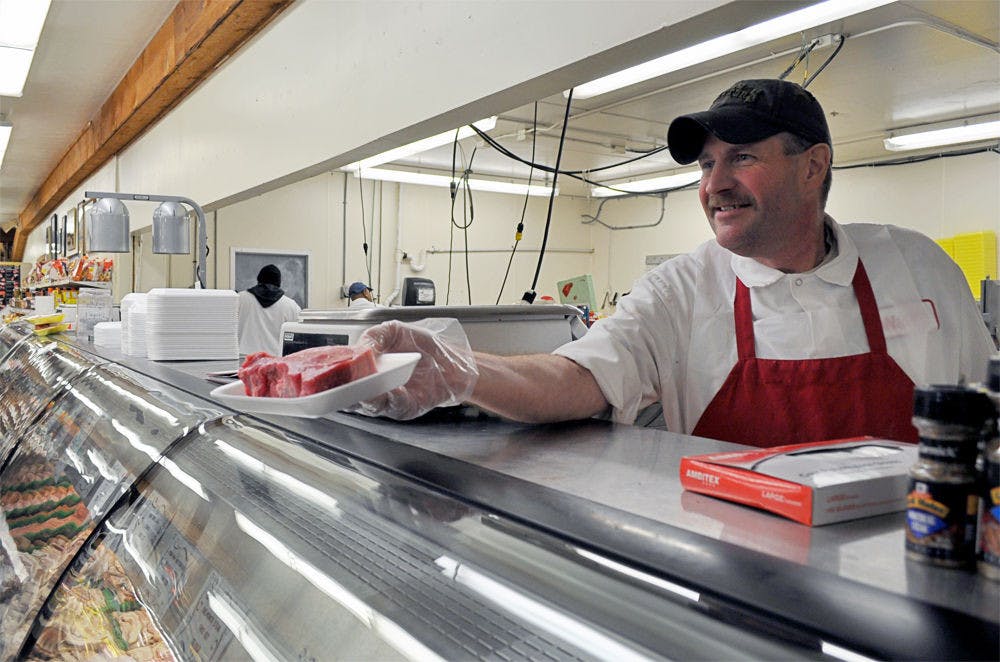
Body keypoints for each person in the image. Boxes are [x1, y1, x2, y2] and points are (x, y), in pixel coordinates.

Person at [354, 79, 994, 447]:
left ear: (814, 165)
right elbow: (576, 376)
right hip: (742, 591)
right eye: (706, 165)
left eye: (740, 157)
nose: (715, 183)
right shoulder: (683, 290)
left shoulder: (917, 266)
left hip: (915, 582)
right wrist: (457, 370)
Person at [237, 264, 301, 355]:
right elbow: (297, 340)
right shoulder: (291, 306)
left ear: (259, 280)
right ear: (279, 283)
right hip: (274, 362)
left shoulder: (240, 299)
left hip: (244, 360)